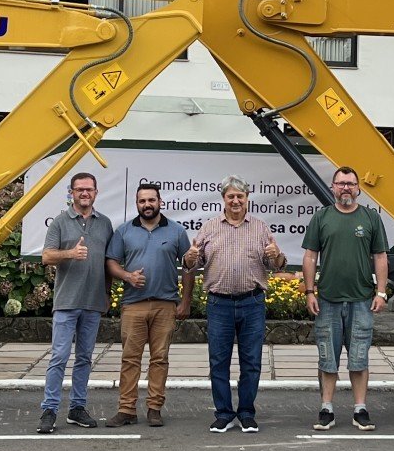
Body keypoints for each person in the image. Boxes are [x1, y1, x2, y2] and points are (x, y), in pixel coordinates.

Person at [182, 177, 285, 433]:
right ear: (223, 199)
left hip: (252, 302)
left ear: (247, 198)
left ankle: (247, 413)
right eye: (231, 196)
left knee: (251, 361)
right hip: (219, 304)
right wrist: (189, 257)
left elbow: (276, 264)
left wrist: (278, 256)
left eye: (240, 196)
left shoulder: (261, 228)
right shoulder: (209, 228)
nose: (236, 201)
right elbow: (192, 263)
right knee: (219, 361)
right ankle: (224, 413)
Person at [301, 166, 391, 432]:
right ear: (333, 188)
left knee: (359, 357)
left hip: (362, 299)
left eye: (350, 184)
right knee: (327, 358)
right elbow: (310, 256)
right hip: (327, 299)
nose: (346, 188)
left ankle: (360, 409)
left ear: (359, 188)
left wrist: (381, 292)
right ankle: (326, 409)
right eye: (340, 184)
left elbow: (380, 257)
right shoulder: (322, 218)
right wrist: (309, 292)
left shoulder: (371, 219)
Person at [104, 182, 193, 427]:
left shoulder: (176, 231)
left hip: (166, 304)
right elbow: (111, 262)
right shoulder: (124, 231)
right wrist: (127, 276)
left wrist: (185, 301)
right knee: (130, 359)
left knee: (160, 359)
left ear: (160, 202)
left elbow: (188, 266)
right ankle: (126, 410)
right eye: (142, 201)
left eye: (151, 200)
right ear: (137, 204)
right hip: (133, 304)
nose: (147, 205)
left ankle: (155, 408)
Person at [37, 172, 113, 434]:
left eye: (89, 189)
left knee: (84, 358)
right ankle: (49, 410)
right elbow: (46, 256)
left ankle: (77, 409)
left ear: (95, 192)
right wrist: (70, 253)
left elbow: (108, 263)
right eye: (79, 189)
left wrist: (106, 295)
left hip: (93, 303)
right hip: (66, 302)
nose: (84, 193)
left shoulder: (104, 224)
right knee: (59, 357)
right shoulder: (59, 222)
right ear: (71, 192)